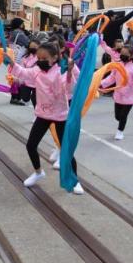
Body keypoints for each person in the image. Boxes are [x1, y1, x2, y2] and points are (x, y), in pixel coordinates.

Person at [7, 42, 83, 194]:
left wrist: (68, 73)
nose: (40, 60)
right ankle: (38, 172)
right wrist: (11, 63)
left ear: (55, 57)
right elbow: (23, 73)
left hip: (60, 115)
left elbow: (69, 89)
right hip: (42, 114)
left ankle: (74, 180)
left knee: (66, 150)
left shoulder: (60, 71)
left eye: (44, 58)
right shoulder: (36, 70)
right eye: (39, 57)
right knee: (31, 145)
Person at [100, 44, 133, 139]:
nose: (123, 55)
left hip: (130, 96)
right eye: (122, 53)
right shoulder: (117, 65)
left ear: (131, 56)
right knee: (117, 116)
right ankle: (121, 124)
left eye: (125, 54)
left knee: (123, 115)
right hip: (118, 95)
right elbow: (111, 78)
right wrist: (101, 84)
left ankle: (120, 131)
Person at [8, 18, 30, 105]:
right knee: (19, 77)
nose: (23, 25)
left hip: (13, 57)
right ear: (19, 24)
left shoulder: (12, 33)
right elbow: (28, 43)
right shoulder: (19, 34)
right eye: (22, 23)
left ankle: (14, 97)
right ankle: (16, 98)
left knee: (14, 77)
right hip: (19, 59)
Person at [17, 39, 39, 107]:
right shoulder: (25, 57)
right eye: (31, 47)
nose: (33, 48)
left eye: (35, 47)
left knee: (35, 99)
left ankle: (38, 114)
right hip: (26, 81)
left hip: (37, 82)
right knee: (25, 98)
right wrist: (19, 79)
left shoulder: (41, 57)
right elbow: (21, 68)